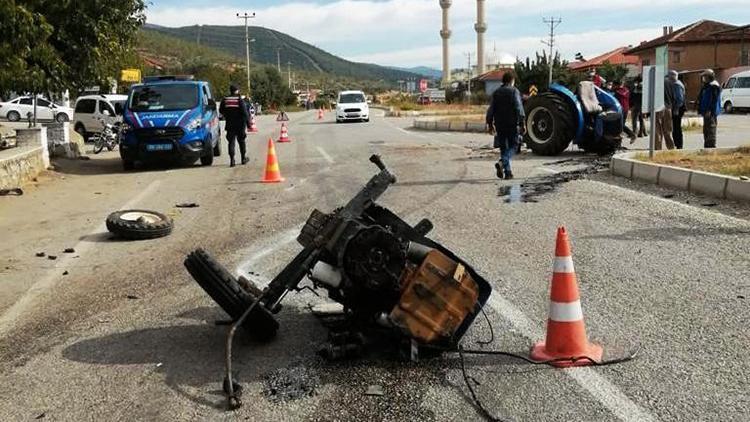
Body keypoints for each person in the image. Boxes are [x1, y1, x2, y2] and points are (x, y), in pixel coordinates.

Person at [486, 71, 525, 180]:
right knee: (515, 145)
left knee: (503, 148)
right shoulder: (514, 91)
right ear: (512, 81)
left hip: (499, 124)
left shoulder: (496, 92)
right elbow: (519, 108)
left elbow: (491, 109)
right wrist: (522, 123)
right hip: (512, 124)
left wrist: (490, 123)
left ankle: (508, 173)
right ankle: (502, 162)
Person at [219, 84, 251, 167]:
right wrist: (248, 124)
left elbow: (221, 110)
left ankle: (232, 160)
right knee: (241, 141)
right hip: (240, 124)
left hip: (230, 124)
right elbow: (245, 113)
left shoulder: (225, 99)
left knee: (231, 142)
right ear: (237, 90)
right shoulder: (239, 100)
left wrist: (227, 115)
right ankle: (243, 158)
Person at [697, 69, 722, 148]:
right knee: (706, 130)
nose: (704, 78)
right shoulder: (706, 86)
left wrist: (710, 110)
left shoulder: (714, 86)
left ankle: (711, 147)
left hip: (711, 112)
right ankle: (707, 147)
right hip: (705, 111)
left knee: (711, 129)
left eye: (705, 76)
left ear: (710, 77)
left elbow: (713, 100)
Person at [655, 74, 676, 150]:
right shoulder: (670, 83)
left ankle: (658, 149)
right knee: (668, 131)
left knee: (657, 131)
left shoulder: (655, 82)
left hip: (658, 107)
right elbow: (674, 96)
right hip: (668, 108)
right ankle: (671, 148)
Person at [669, 70, 686, 149]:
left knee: (676, 127)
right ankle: (677, 143)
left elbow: (679, 99)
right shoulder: (678, 83)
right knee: (676, 127)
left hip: (678, 108)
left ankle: (678, 144)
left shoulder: (676, 85)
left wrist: (676, 109)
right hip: (678, 108)